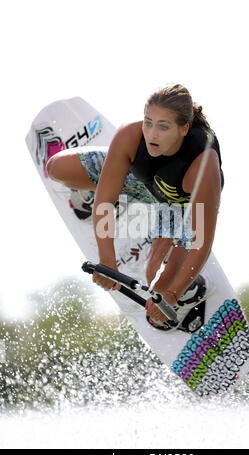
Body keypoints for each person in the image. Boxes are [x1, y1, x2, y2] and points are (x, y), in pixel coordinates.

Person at [46, 84, 223, 331]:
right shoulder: (130, 135)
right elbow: (104, 200)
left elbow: (201, 242)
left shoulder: (203, 167)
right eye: (148, 122)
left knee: (156, 283)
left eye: (163, 127)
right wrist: (107, 261)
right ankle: (123, 197)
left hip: (178, 207)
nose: (152, 133)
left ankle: (190, 292)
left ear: (183, 129)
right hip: (142, 182)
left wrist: (173, 293)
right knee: (56, 168)